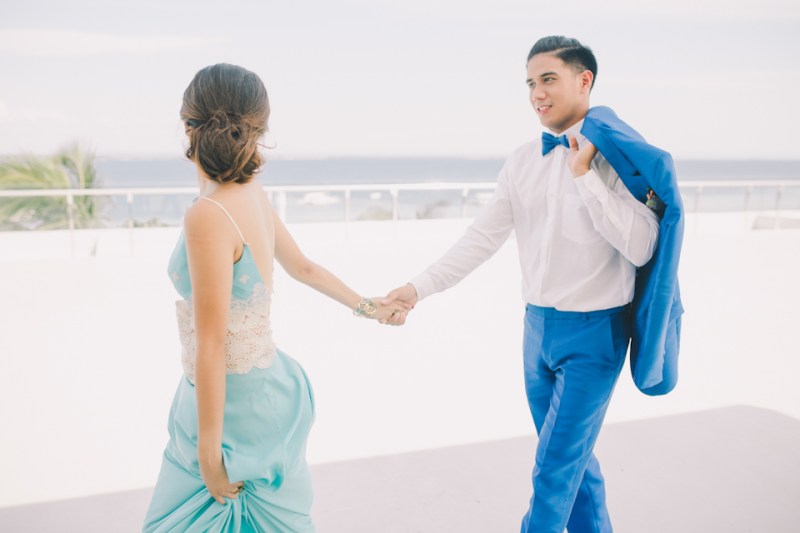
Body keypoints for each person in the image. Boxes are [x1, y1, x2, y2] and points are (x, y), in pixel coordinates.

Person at [383, 36, 682, 533]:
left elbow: (642, 247)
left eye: (548, 79)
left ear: (584, 81)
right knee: (576, 469)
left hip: (595, 337)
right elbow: (481, 238)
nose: (536, 94)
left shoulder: (620, 159)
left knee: (552, 474)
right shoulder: (522, 160)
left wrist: (585, 176)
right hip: (536, 334)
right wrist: (418, 288)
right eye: (529, 83)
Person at [142, 63, 404, 532]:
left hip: (231, 411)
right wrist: (369, 307)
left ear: (187, 123)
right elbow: (302, 267)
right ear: (258, 130)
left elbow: (212, 343)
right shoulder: (250, 194)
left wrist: (208, 453)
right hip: (274, 392)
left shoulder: (208, 214)